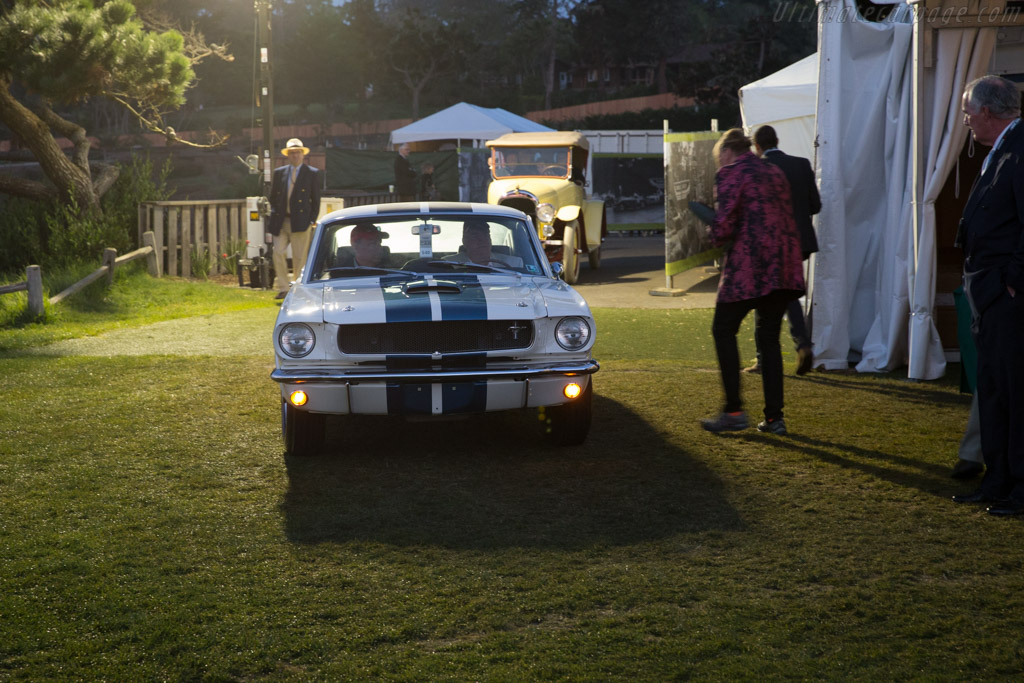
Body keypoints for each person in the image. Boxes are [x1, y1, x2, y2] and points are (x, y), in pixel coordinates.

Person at [700, 128, 806, 435]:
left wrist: (710, 227)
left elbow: (723, 227)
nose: (719, 164)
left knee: (723, 329)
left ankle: (733, 410)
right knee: (769, 339)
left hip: (750, 266)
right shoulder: (774, 172)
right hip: (783, 267)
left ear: (727, 152)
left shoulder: (732, 172)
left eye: (719, 158)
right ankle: (774, 418)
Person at [951, 75, 1024, 516]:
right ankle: (996, 480)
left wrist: (1012, 279)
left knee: (1014, 393)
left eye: (968, 112)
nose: (966, 121)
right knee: (994, 389)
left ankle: (1017, 486)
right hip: (990, 290)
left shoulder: (1020, 150)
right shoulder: (1004, 148)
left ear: (988, 112)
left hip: (1007, 294)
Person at [744, 125, 821, 376]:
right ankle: (802, 344)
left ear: (757, 146)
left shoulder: (759, 170)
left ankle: (764, 357)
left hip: (769, 243)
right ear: (777, 140)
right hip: (799, 242)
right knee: (788, 294)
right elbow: (815, 205)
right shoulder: (800, 164)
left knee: (765, 296)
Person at [268, 138, 321, 300]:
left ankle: (298, 288)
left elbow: (316, 199)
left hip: (301, 221)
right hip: (281, 220)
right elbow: (273, 197)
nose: (295, 155)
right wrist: (275, 212)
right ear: (288, 155)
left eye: (298, 152)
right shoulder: (279, 173)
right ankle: (283, 288)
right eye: (292, 153)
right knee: (278, 253)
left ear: (303, 155)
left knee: (299, 257)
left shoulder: (312, 173)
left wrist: (312, 219)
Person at [446, 219, 523, 268]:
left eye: (486, 235)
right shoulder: (449, 264)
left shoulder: (514, 264)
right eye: (475, 236)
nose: (482, 240)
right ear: (464, 241)